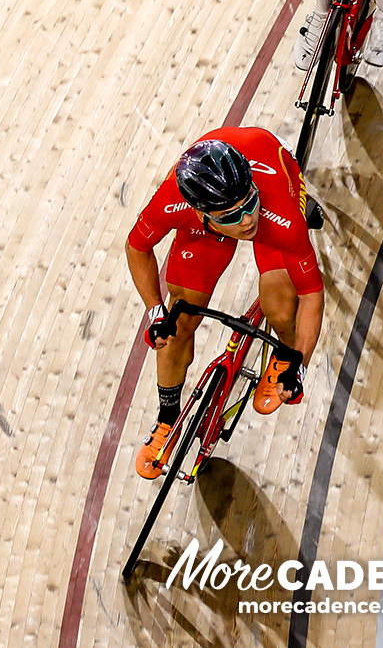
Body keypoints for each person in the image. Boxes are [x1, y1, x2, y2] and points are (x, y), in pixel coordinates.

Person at [127, 130, 324, 479]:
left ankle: (282, 355)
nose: (246, 219)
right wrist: (156, 311)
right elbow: (137, 247)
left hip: (278, 203)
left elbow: (312, 293)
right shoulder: (172, 200)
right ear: (200, 210)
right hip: (201, 231)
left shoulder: (273, 214)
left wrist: (301, 365)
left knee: (281, 305)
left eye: (248, 204)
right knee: (178, 323)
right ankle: (166, 419)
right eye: (232, 215)